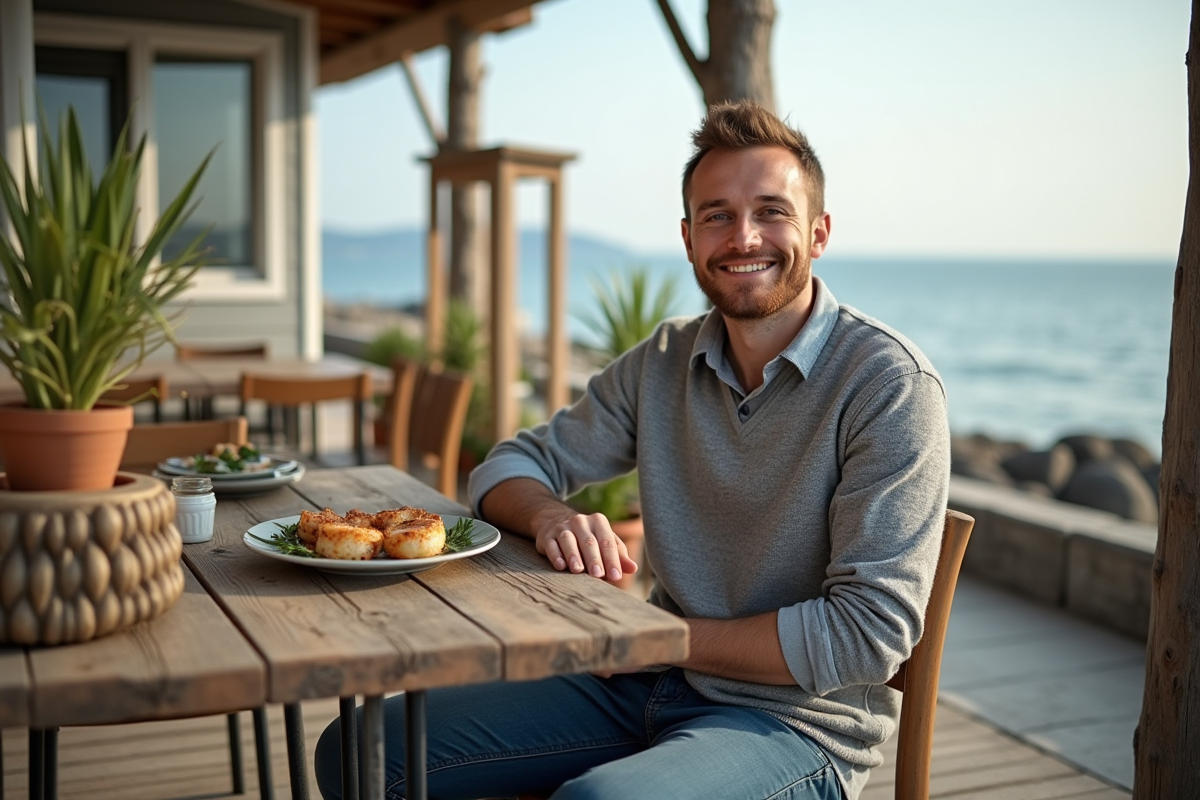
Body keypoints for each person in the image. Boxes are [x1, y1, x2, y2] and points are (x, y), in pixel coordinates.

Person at [314, 100, 950, 800]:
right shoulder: (666, 359)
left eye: (772, 211)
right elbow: (504, 468)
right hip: (639, 687)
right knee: (363, 750)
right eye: (717, 215)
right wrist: (553, 517)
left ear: (819, 232)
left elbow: (866, 635)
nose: (743, 237)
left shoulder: (889, 385)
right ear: (687, 238)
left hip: (794, 727)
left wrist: (658, 636)